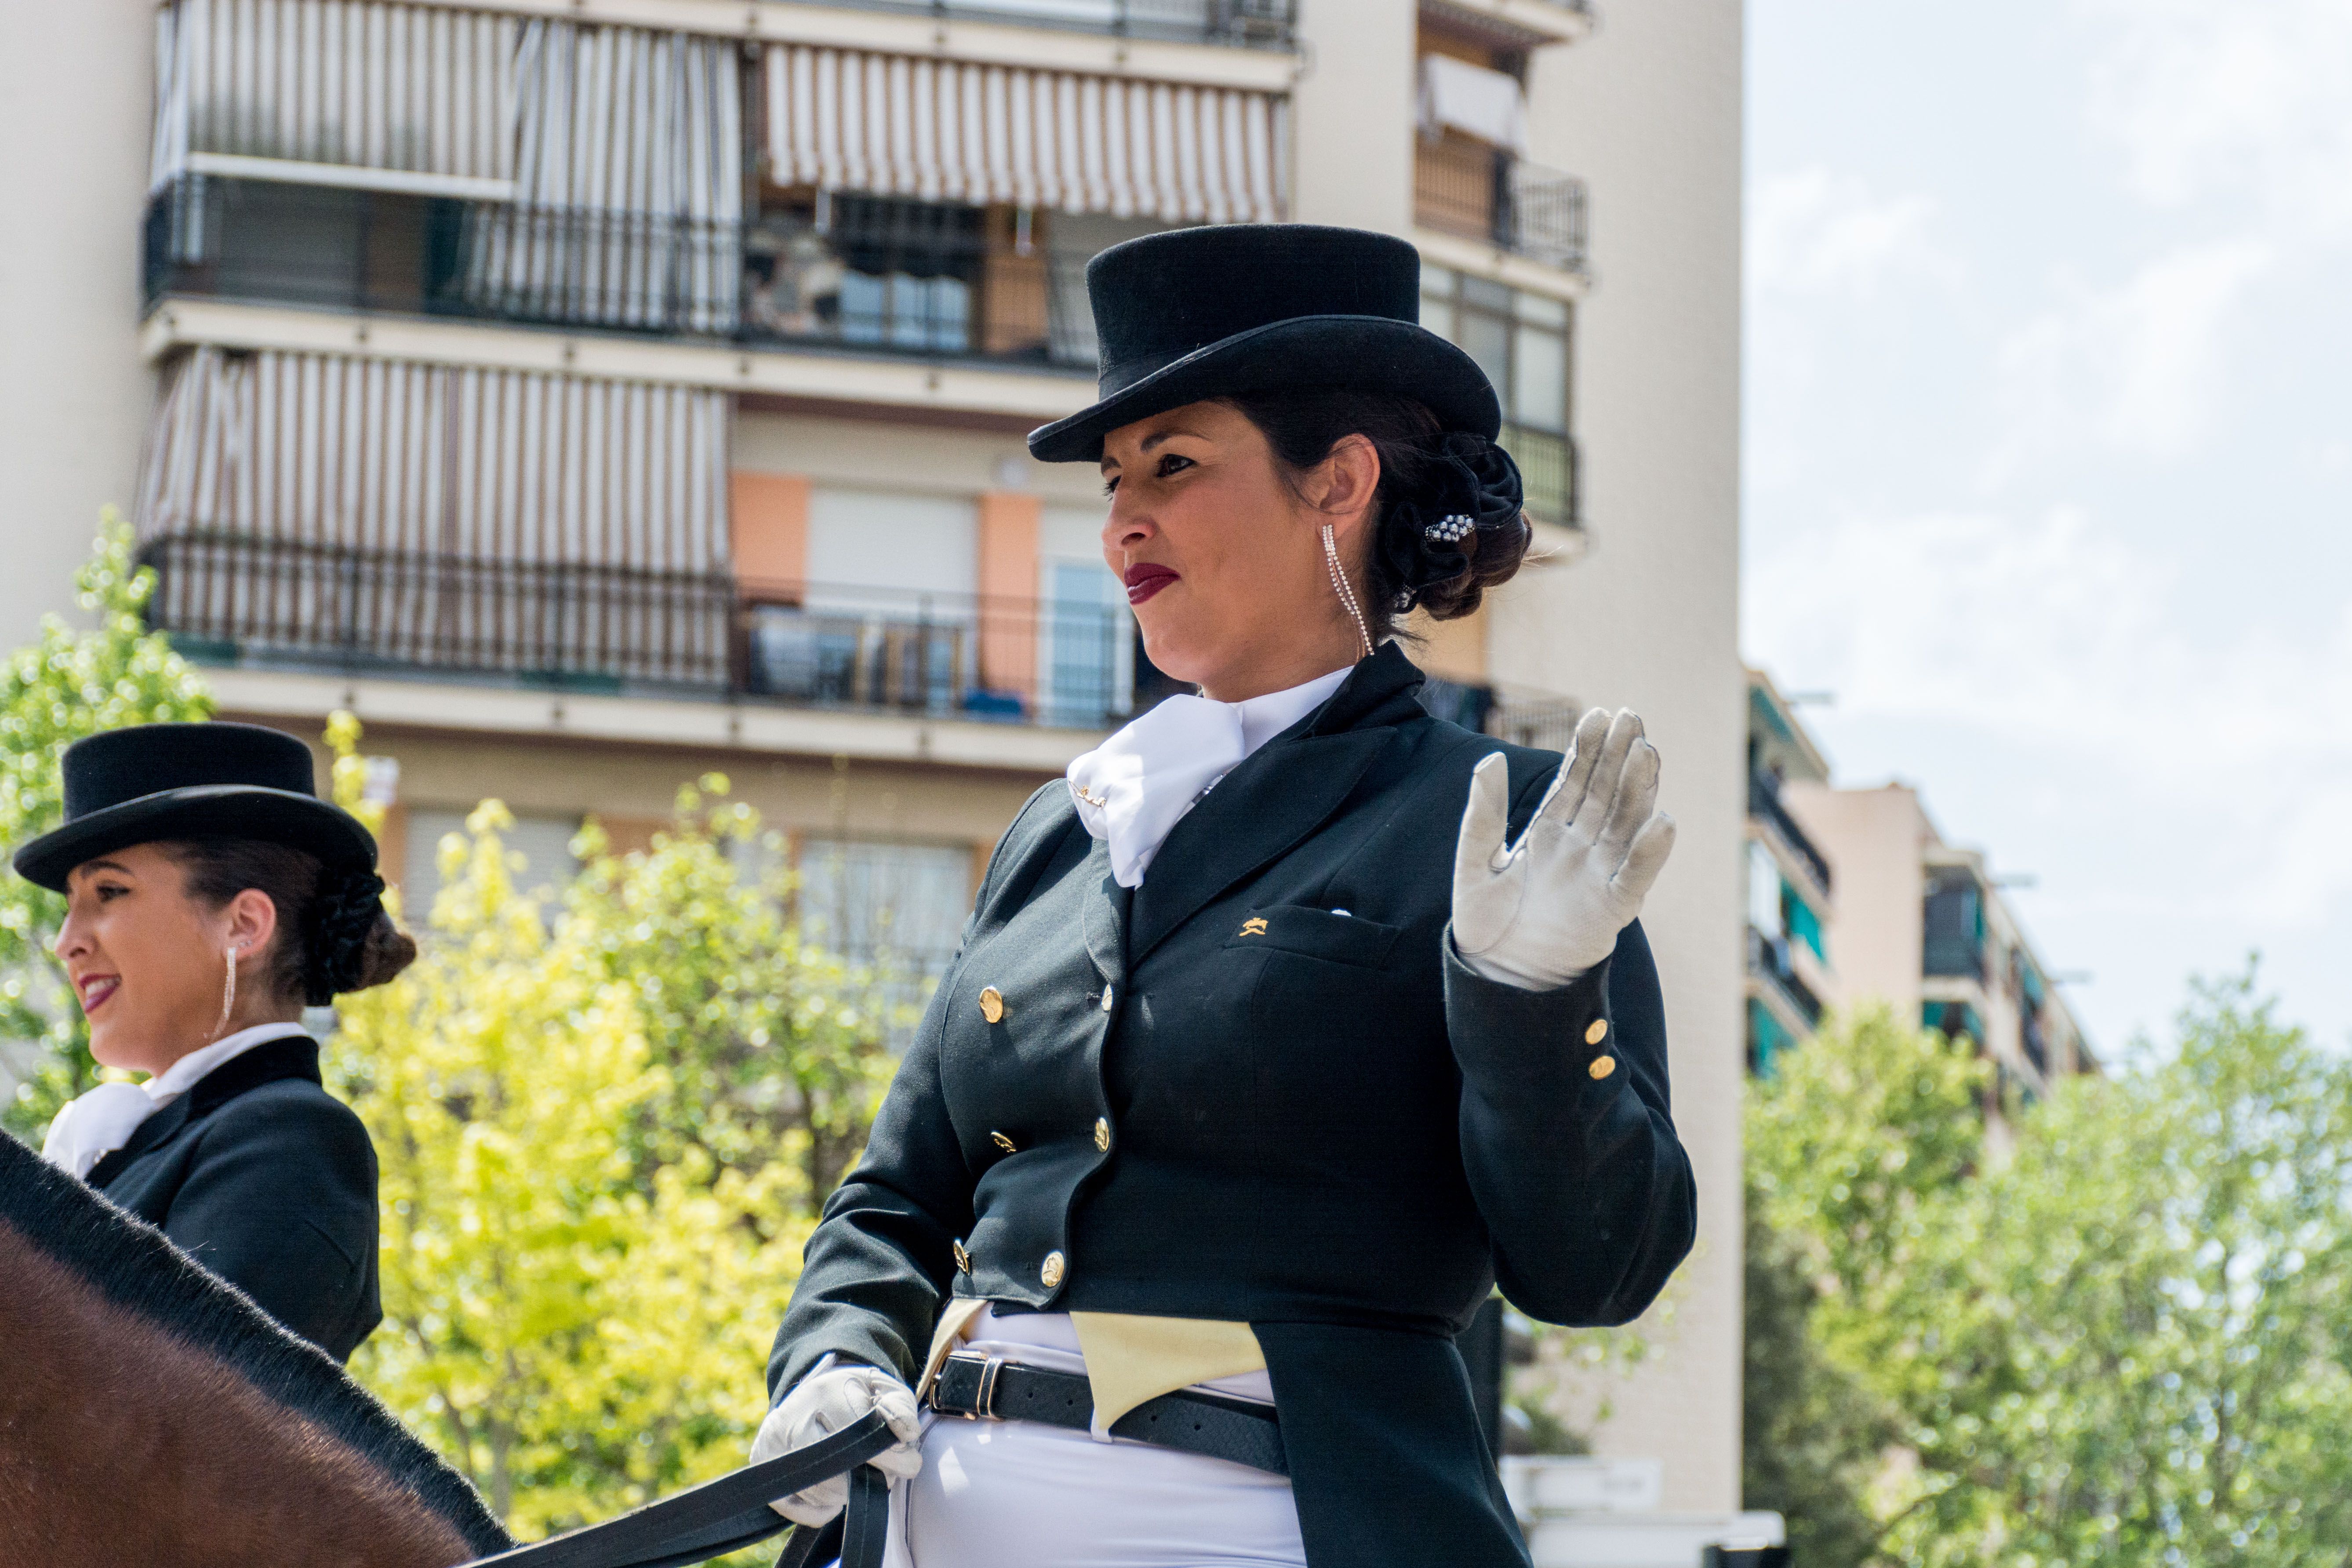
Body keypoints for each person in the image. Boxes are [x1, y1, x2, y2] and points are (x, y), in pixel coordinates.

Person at [752, 224, 1698, 1568]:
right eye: (1114, 481)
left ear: (1341, 482)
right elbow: (898, 1199)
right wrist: (831, 1360)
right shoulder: (1060, 827)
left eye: (1175, 465)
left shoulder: (1500, 824)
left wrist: (1532, 1004)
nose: (1124, 518)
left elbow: (1602, 1268)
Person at [24, 721, 414, 1363]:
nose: (68, 940)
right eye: (72, 903)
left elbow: (156, 1426)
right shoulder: (144, 1136)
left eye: (109, 892)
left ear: (244, 925)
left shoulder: (294, 1140)